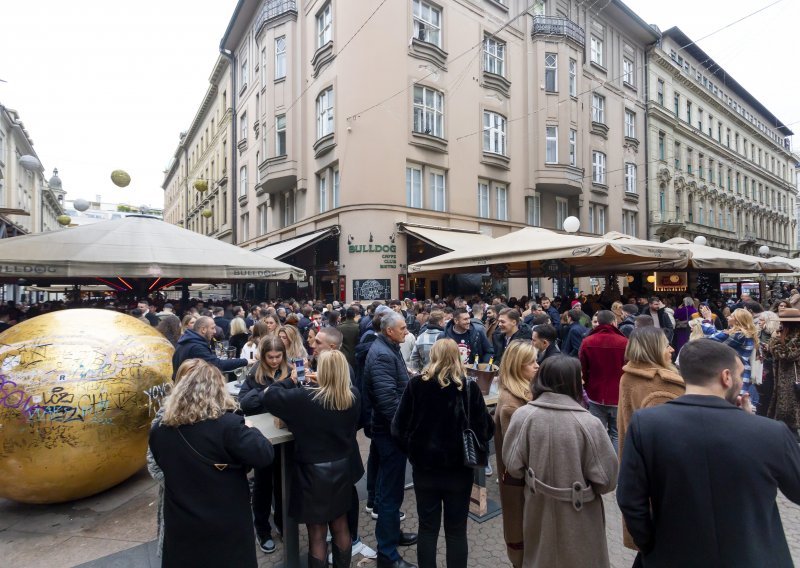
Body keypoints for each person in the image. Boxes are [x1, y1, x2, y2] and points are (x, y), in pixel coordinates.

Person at [616, 339, 800, 567]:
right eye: (739, 375)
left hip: (672, 554)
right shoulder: (772, 432)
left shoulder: (646, 424)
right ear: (726, 377)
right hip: (754, 555)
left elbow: (630, 499)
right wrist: (754, 425)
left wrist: (650, 544)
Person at [148, 360, 274, 568]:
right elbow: (264, 454)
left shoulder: (160, 430)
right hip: (225, 524)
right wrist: (250, 428)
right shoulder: (229, 426)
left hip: (182, 523)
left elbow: (159, 466)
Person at [502, 355, 619, 568]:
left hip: (537, 510)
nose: (583, 381)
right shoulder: (590, 424)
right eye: (580, 377)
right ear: (570, 382)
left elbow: (513, 466)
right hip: (580, 515)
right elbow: (607, 481)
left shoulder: (523, 415)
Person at [392, 339, 494, 568]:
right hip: (459, 471)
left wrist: (413, 452)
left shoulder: (416, 385)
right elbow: (486, 430)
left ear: (433, 356)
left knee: (427, 529)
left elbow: (398, 429)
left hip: (425, 471)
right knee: (456, 531)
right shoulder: (468, 387)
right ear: (458, 358)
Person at [263, 350, 362, 568]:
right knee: (341, 525)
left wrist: (290, 380)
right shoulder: (352, 395)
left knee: (317, 533)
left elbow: (269, 396)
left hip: (312, 473)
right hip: (342, 468)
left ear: (322, 372)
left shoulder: (304, 398)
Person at [616, 327, 684, 550]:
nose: (672, 349)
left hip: (639, 478)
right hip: (666, 491)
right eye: (666, 345)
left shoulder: (630, 376)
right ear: (652, 350)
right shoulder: (661, 385)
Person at [363, 312, 418, 568]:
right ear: (389, 331)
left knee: (393, 489)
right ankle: (386, 554)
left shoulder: (389, 347)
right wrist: (409, 425)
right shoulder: (382, 354)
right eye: (403, 328)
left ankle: (392, 536)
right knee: (389, 492)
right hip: (389, 432)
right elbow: (389, 403)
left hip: (389, 430)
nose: (407, 332)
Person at [238, 336, 291, 554]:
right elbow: (245, 403)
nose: (275, 361)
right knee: (262, 485)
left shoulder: (289, 370)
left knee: (282, 483)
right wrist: (269, 391)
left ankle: (281, 521)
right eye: (270, 357)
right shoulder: (255, 374)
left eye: (278, 356)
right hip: (262, 439)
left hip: (284, 436)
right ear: (263, 356)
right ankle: (262, 529)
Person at [494, 340, 538, 567]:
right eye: (530, 362)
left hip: (524, 485)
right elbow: (517, 456)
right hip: (520, 486)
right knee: (522, 533)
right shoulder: (513, 402)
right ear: (516, 366)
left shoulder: (524, 392)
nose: (536, 366)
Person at [578, 310, 628, 452]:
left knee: (596, 434)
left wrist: (587, 386)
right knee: (617, 434)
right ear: (614, 322)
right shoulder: (624, 342)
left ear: (598, 322)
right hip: (618, 394)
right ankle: (615, 467)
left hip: (595, 393)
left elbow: (583, 369)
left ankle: (598, 466)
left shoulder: (588, 342)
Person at [698, 305, 759, 408]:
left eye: (731, 316)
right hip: (740, 372)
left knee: (734, 402)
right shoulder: (745, 334)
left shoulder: (739, 335)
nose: (727, 317)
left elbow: (710, 338)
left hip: (736, 372)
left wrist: (708, 319)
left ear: (737, 320)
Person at [171, 316, 247, 379]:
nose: (215, 331)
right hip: (189, 391)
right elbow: (217, 365)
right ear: (203, 329)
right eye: (212, 328)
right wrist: (245, 361)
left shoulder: (189, 341)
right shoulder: (196, 347)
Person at [768, 309, 800, 438]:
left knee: (790, 409)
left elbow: (785, 354)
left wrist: (775, 341)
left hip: (790, 379)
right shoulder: (782, 336)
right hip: (784, 378)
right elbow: (781, 354)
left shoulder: (794, 338)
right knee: (787, 409)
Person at [756, 310, 780, 417]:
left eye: (762, 320)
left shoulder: (774, 333)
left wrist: (767, 347)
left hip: (769, 366)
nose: (759, 322)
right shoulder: (759, 332)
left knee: (767, 392)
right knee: (763, 392)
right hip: (761, 365)